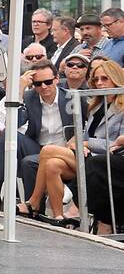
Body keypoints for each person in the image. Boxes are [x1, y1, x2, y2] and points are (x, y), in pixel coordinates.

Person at [18, 60, 124, 225]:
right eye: (96, 80)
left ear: (116, 80)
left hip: (105, 161)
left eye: (105, 78)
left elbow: (116, 144)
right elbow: (85, 135)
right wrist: (77, 142)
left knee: (47, 151)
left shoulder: (121, 108)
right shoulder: (95, 106)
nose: (100, 83)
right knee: (52, 164)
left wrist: (87, 143)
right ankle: (60, 217)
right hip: (86, 156)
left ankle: (33, 202)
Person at [0, 60, 71, 210]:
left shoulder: (70, 98)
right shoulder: (30, 97)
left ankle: (33, 208)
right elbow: (14, 123)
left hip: (64, 152)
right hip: (38, 148)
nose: (44, 87)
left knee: (28, 161)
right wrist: (19, 91)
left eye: (48, 82)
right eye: (38, 83)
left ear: (57, 79)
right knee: (9, 134)